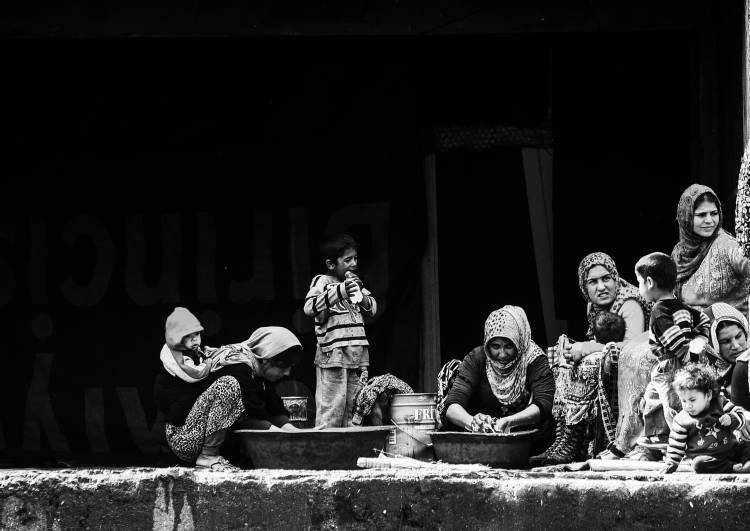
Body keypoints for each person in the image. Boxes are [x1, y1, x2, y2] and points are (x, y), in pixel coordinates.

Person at [533, 252, 652, 465]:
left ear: (615, 278)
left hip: (638, 368)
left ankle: (573, 440)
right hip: (613, 360)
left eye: (606, 278)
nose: (601, 287)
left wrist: (586, 348)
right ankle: (564, 436)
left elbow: (634, 348)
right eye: (593, 282)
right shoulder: (593, 307)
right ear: (584, 287)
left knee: (591, 360)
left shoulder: (630, 303)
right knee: (565, 359)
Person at [154, 307, 304, 471]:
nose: (287, 373)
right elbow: (252, 417)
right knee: (229, 385)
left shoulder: (258, 373)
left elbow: (273, 410)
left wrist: (300, 436)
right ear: (267, 359)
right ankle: (208, 455)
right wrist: (288, 440)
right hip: (185, 437)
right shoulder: (237, 367)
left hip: (203, 438)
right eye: (284, 366)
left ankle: (212, 455)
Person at [442, 305, 556, 457]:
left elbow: (545, 403)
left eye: (509, 346)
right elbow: (452, 405)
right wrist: (473, 423)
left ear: (520, 340)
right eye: (495, 346)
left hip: (527, 442)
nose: (502, 354)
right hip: (484, 442)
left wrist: (509, 422)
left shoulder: (534, 360)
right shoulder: (477, 358)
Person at [633, 252, 711, 457]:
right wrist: (700, 340)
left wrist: (689, 355)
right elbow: (704, 320)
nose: (639, 288)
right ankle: (658, 437)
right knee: (651, 399)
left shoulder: (659, 311)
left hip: (670, 366)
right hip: (676, 363)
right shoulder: (681, 306)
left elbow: (674, 342)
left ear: (649, 282)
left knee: (673, 405)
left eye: (639, 282)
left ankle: (684, 445)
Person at [304, 234, 377, 427]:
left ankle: (349, 451)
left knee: (354, 408)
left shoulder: (356, 283)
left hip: (358, 356)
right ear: (330, 264)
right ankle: (327, 451)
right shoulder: (322, 281)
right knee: (332, 407)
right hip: (333, 356)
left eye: (355, 258)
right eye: (347, 260)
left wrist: (360, 296)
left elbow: (373, 309)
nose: (354, 263)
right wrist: (341, 291)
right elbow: (309, 307)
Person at [673, 184, 750, 317]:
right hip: (689, 330)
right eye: (701, 215)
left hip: (728, 333)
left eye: (714, 213)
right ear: (686, 217)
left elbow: (744, 261)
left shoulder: (726, 245)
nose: (709, 220)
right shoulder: (679, 254)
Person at [662, 364, 747, 474]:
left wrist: (732, 419)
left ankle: (746, 462)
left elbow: (740, 414)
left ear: (708, 395)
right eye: (683, 401)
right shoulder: (681, 420)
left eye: (692, 400)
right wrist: (671, 464)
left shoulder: (720, 403)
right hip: (710, 459)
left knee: (747, 444)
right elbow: (675, 445)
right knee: (698, 465)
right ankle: (732, 468)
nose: (688, 405)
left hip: (733, 451)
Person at [704, 302, 750, 409]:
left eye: (738, 336)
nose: (736, 346)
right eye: (725, 341)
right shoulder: (706, 377)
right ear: (712, 345)